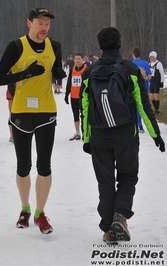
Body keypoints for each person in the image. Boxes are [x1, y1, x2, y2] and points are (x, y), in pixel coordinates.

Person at [81, 27, 165, 245]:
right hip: (125, 135)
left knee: (105, 182)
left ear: (100, 46)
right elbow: (143, 105)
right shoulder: (130, 69)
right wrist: (156, 135)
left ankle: (109, 229)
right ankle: (121, 215)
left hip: (99, 136)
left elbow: (86, 107)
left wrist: (87, 138)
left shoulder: (89, 72)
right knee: (128, 177)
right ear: (120, 44)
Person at [0, 7, 66, 234]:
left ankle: (39, 213)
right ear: (29, 23)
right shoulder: (16, 47)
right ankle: (25, 208)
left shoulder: (54, 46)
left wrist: (59, 73)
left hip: (46, 112)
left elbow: (55, 70)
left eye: (47, 24)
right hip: (21, 113)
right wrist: (24, 74)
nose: (44, 27)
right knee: (23, 166)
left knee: (44, 166)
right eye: (40, 23)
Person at [64, 52, 87, 140]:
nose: (77, 60)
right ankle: (77, 132)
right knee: (75, 114)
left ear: (82, 60)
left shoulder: (86, 69)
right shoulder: (72, 69)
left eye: (79, 59)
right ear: (74, 60)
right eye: (76, 59)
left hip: (83, 96)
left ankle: (85, 132)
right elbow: (69, 82)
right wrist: (66, 94)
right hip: (74, 96)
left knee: (84, 115)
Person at [132, 47, 152, 133]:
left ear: (133, 55)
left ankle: (136, 125)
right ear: (140, 55)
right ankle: (144, 126)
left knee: (135, 107)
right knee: (143, 107)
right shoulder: (146, 64)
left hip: (134, 88)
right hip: (144, 88)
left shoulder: (131, 64)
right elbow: (149, 76)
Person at [149, 51, 164, 116]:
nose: (151, 58)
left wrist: (162, 82)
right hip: (151, 82)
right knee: (151, 96)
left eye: (152, 57)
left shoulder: (158, 63)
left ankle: (157, 110)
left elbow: (162, 73)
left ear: (155, 57)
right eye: (150, 57)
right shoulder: (150, 64)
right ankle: (155, 109)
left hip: (157, 82)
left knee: (156, 96)